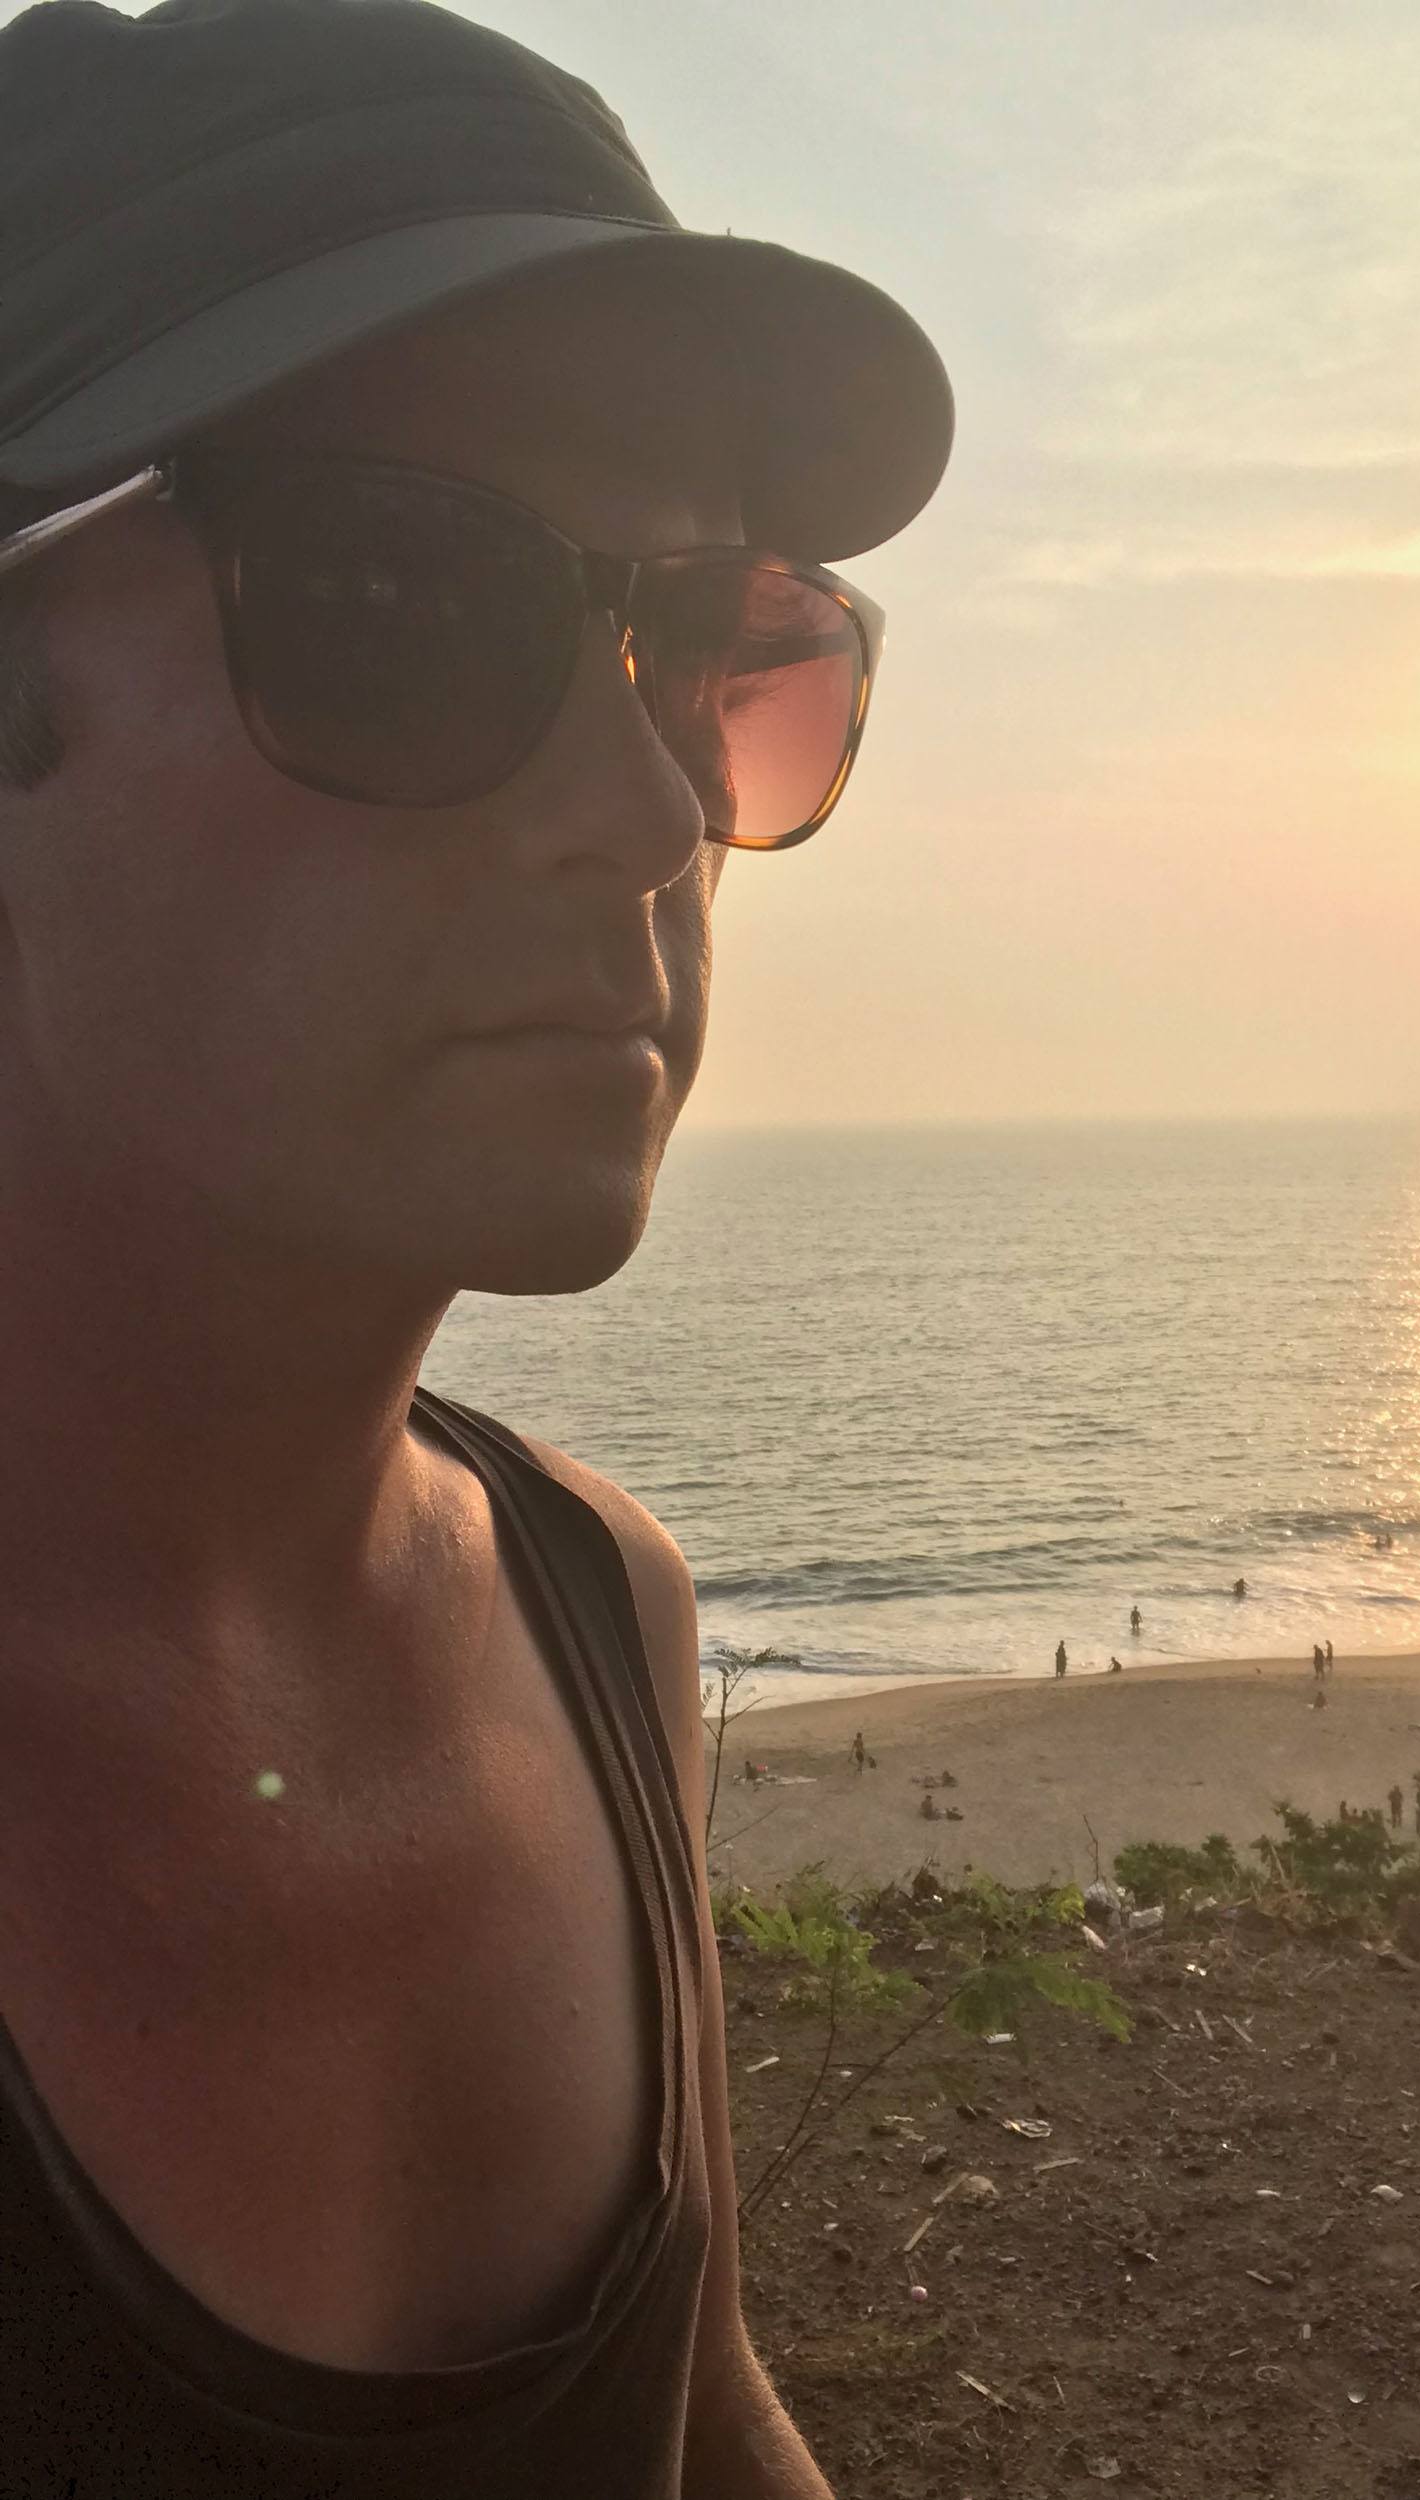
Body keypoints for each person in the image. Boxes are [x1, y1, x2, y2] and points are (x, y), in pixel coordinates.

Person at [0, 2, 951, 2490]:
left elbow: (700, 2417)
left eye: (715, 646)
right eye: (408, 595)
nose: (646, 804)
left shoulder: (595, 1611)